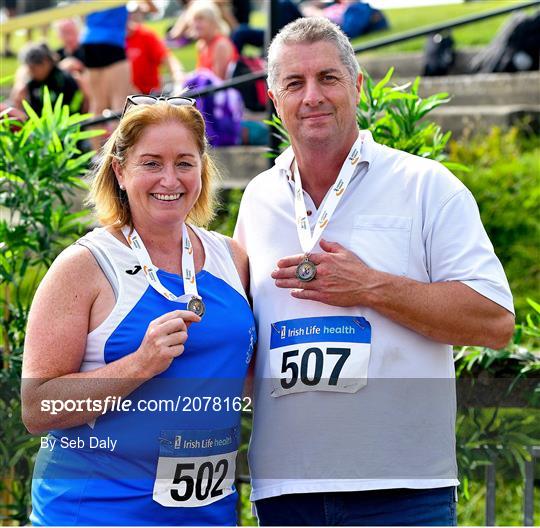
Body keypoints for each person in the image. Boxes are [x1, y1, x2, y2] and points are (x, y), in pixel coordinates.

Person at [234, 17, 515, 526]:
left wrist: (369, 287)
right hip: (286, 489)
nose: (312, 96)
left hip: (404, 490)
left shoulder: (426, 185)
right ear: (274, 99)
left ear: (357, 86)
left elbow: (494, 320)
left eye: (328, 78)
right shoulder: (258, 197)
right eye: (294, 84)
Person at [22, 96, 256, 525]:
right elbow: (38, 409)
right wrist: (139, 364)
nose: (170, 178)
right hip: (96, 513)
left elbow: (244, 378)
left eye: (185, 162)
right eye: (151, 163)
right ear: (120, 171)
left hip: (207, 514)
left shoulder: (232, 259)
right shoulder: (84, 266)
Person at [126, 3, 185, 95]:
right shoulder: (112, 41)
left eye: (137, 13)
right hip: (125, 96)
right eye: (131, 13)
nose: (133, 16)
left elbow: (169, 60)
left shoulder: (146, 35)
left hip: (150, 95)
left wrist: (179, 82)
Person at [13, 42, 84, 115]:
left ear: (47, 62)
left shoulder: (64, 78)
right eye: (29, 68)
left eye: (34, 68)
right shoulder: (29, 82)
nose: (31, 71)